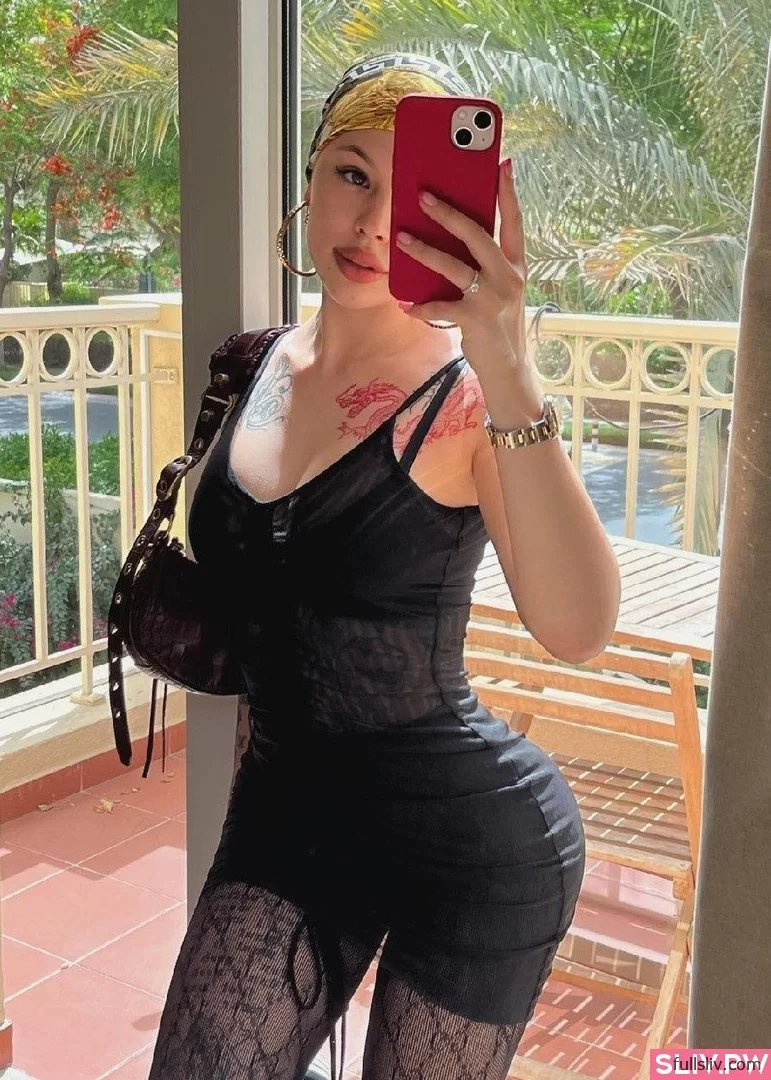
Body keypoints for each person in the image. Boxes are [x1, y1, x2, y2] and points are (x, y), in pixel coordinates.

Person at [148, 52, 621, 1080]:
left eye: (415, 197)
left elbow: (579, 626)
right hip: (287, 816)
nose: (371, 226)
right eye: (352, 174)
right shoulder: (251, 364)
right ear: (310, 179)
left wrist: (507, 361)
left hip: (474, 851)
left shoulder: (470, 400)